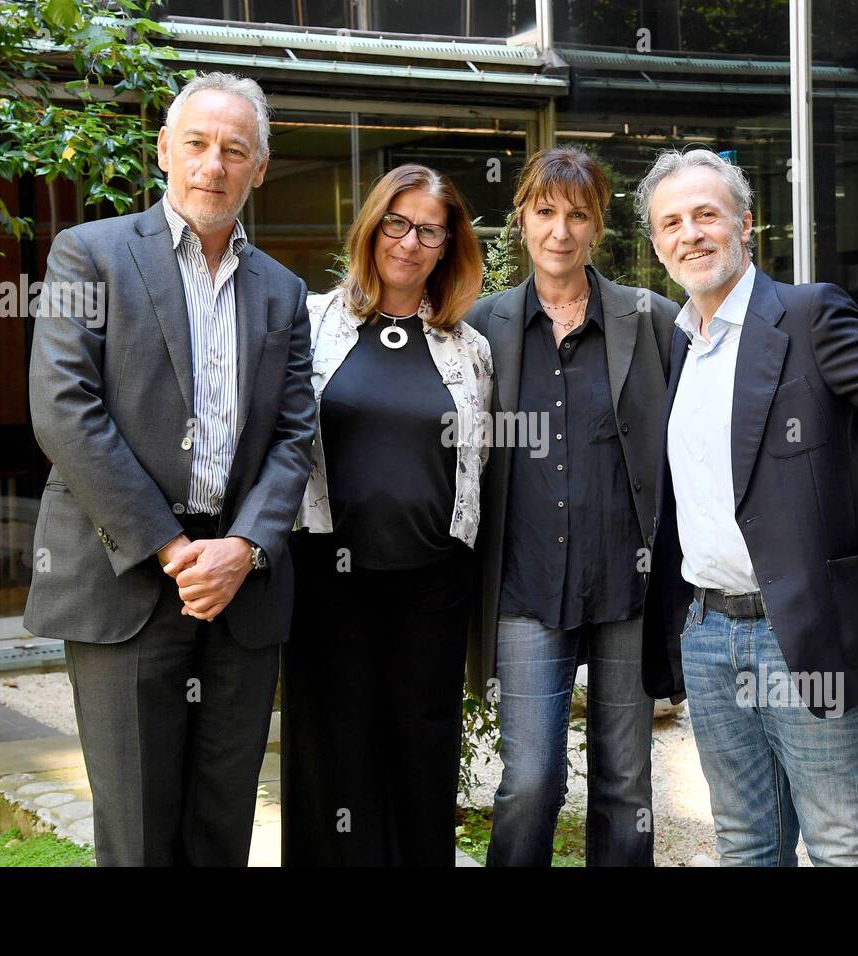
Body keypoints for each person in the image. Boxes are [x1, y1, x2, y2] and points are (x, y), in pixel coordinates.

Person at [24, 72, 316, 866]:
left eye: (235, 150)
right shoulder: (89, 254)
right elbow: (63, 410)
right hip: (126, 577)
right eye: (196, 144)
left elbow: (295, 435)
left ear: (260, 168)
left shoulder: (283, 291)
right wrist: (171, 547)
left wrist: (244, 548)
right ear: (163, 150)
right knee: (139, 833)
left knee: (222, 826)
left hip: (239, 588)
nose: (212, 165)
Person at [639, 147, 858, 866]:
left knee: (849, 844)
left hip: (806, 631)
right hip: (708, 635)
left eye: (706, 214)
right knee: (745, 844)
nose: (690, 234)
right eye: (671, 223)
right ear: (657, 245)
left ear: (745, 224)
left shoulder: (809, 314)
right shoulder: (679, 344)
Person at [465, 146, 680, 866]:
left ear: (598, 226)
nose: (560, 230)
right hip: (525, 585)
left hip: (627, 585)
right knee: (530, 782)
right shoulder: (482, 327)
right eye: (545, 212)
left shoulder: (651, 320)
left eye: (578, 215)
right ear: (521, 217)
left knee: (626, 785)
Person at [281, 164, 492, 866]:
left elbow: (479, 469)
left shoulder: (469, 348)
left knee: (422, 756)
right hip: (328, 578)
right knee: (332, 755)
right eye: (396, 223)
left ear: (447, 245)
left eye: (430, 230)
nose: (409, 242)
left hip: (433, 585)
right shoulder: (309, 323)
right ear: (372, 228)